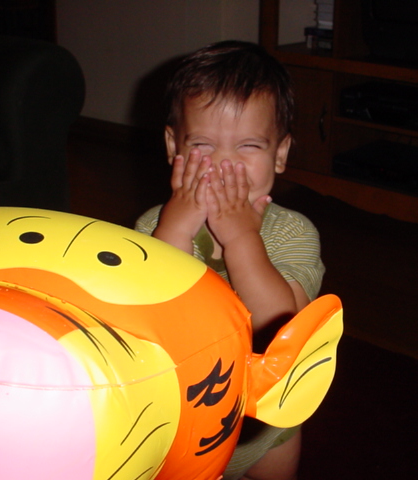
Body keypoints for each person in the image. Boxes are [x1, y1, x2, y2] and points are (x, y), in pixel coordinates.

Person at [135, 40, 325, 480]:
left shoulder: (292, 233)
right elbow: (147, 314)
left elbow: (279, 323)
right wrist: (175, 232)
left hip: (264, 429)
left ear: (280, 154)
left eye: (248, 147)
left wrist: (241, 239)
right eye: (203, 144)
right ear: (172, 146)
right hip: (181, 423)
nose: (223, 164)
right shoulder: (152, 226)